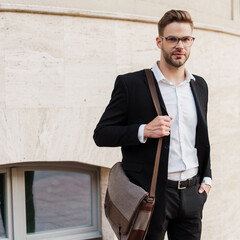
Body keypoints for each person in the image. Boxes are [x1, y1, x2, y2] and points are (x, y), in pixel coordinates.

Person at [93, 9, 212, 240]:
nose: (180, 45)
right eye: (172, 39)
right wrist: (144, 131)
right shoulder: (131, 85)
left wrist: (207, 179)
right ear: (160, 41)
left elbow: (201, 137)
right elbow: (102, 134)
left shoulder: (199, 86)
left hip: (192, 194)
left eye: (186, 39)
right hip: (153, 195)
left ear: (192, 41)